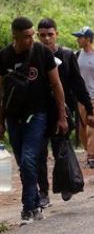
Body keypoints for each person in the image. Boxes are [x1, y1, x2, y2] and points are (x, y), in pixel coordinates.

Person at [0, 17, 68, 225]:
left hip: (38, 114)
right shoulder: (4, 57)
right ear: (16, 37)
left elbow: (57, 86)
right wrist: (0, 121)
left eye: (33, 35)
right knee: (23, 161)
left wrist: (62, 116)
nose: (32, 39)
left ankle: (27, 207)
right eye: (27, 36)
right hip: (13, 116)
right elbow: (1, 93)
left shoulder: (42, 53)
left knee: (29, 158)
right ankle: (36, 202)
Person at [36, 19, 94, 208]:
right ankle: (43, 192)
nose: (46, 39)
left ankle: (65, 183)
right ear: (38, 36)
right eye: (43, 35)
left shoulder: (67, 56)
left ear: (57, 34)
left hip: (62, 113)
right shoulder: (34, 56)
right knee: (39, 154)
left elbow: (78, 85)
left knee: (61, 150)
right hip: (39, 112)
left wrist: (90, 110)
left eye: (50, 34)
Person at [72, 26, 94, 171]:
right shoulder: (76, 55)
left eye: (80, 37)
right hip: (81, 98)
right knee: (82, 129)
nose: (78, 39)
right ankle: (89, 152)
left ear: (88, 39)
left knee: (93, 129)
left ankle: (93, 157)